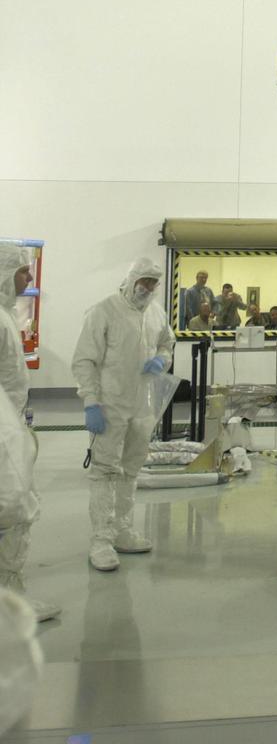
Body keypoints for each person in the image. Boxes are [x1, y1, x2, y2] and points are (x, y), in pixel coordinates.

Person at [71, 257, 174, 572]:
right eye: (144, 281)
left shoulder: (157, 313)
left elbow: (167, 343)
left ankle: (122, 530)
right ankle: (101, 540)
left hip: (142, 406)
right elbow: (84, 360)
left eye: (153, 283)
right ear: (131, 280)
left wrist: (162, 360)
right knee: (105, 471)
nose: (148, 288)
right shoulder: (103, 311)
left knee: (131, 469)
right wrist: (91, 402)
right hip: (109, 406)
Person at [0, 243, 61, 621]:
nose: (28, 277)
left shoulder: (7, 315)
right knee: (17, 508)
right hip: (3, 434)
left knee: (15, 508)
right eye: (23, 271)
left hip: (10, 428)